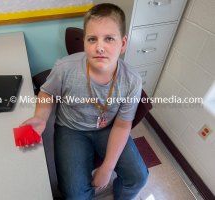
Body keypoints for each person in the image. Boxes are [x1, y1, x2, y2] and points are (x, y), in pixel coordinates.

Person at [21, 3, 148, 200]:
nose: (99, 47)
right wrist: (40, 117)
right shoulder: (65, 67)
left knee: (138, 177)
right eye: (92, 39)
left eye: (109, 39)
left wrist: (107, 167)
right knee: (74, 194)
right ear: (84, 43)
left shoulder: (132, 80)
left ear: (122, 44)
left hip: (109, 127)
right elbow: (47, 93)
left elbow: (123, 125)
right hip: (70, 128)